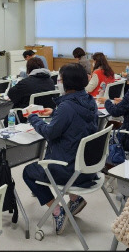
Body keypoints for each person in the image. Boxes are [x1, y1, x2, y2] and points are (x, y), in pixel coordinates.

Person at [22, 63, 98, 235]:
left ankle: (57, 210)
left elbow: (49, 132)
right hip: (87, 168)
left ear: (67, 83)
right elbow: (72, 120)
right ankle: (74, 198)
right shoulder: (89, 100)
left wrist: (33, 118)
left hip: (67, 170)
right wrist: (54, 112)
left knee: (29, 172)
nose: (58, 82)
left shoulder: (66, 108)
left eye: (61, 79)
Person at [7, 57, 55, 123]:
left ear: (28, 69)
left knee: (7, 120)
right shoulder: (51, 81)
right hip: (45, 114)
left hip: (25, 116)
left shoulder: (25, 83)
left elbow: (11, 95)